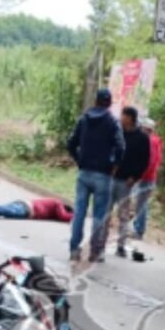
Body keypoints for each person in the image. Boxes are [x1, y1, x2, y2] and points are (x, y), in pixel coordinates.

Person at [67, 88, 125, 263]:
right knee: (100, 215)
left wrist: (79, 160)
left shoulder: (83, 120)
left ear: (95, 101)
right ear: (109, 103)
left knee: (79, 213)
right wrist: (114, 165)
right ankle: (95, 252)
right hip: (103, 175)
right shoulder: (113, 122)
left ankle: (74, 250)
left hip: (84, 173)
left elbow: (70, 143)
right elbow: (121, 147)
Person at [103, 106, 150, 258]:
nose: (120, 118)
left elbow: (144, 160)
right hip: (111, 178)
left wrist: (135, 177)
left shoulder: (142, 138)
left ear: (130, 118)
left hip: (126, 182)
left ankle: (121, 245)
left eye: (123, 115)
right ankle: (100, 243)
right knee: (105, 213)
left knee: (123, 215)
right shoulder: (116, 133)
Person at [133, 118, 163, 239]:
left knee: (142, 204)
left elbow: (151, 161)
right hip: (147, 176)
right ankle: (137, 226)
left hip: (146, 177)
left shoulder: (151, 141)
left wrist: (140, 174)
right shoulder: (155, 141)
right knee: (140, 203)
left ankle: (139, 229)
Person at [0, 198, 74, 222]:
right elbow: (63, 216)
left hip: (25, 205)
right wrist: (77, 216)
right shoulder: (58, 203)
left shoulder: (53, 210)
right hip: (27, 208)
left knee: (10, 211)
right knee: (12, 212)